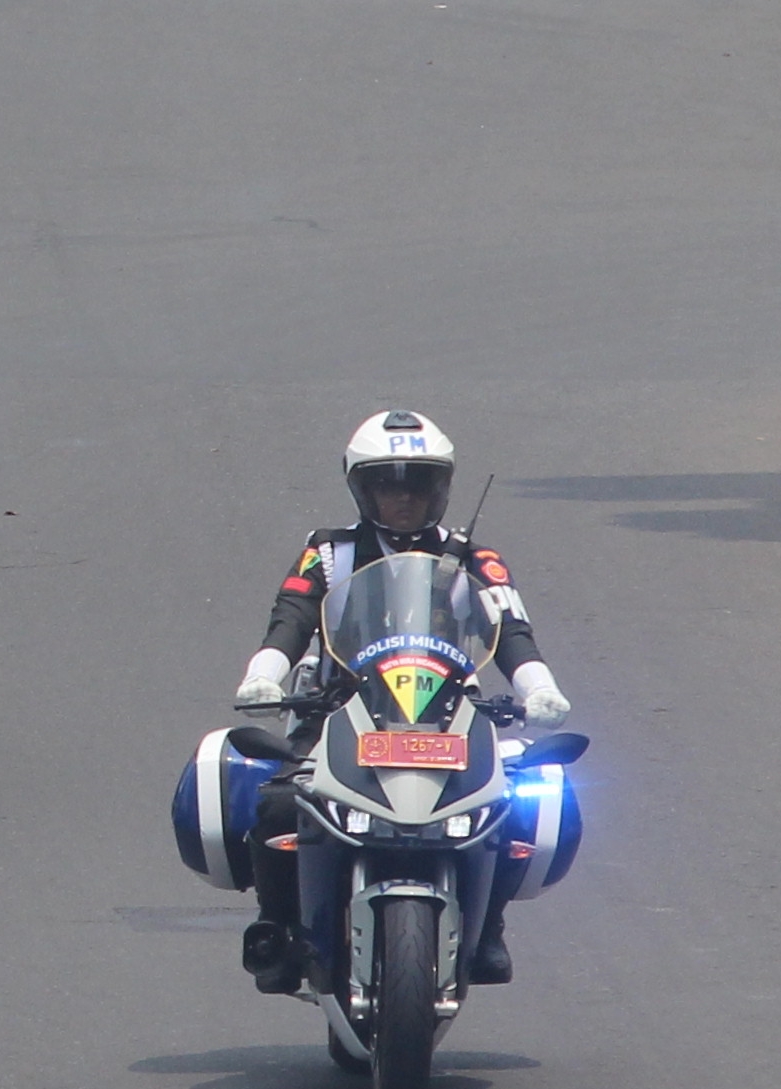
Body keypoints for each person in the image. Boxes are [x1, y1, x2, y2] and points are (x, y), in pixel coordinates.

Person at [226, 412, 569, 990]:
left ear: (441, 489)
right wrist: (264, 673)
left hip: (448, 713)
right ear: (362, 489)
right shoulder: (327, 552)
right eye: (388, 484)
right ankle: (279, 928)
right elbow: (291, 615)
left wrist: (539, 687)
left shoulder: (475, 560)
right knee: (281, 803)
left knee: (518, 802)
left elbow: (511, 628)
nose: (404, 498)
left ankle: (489, 930)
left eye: (418, 484)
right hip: (340, 709)